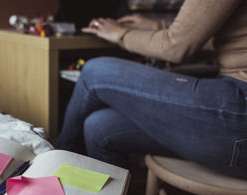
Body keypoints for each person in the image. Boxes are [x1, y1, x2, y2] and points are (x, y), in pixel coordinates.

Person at [56, 0, 247, 178]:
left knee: (95, 71)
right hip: (236, 129)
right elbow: (226, 39)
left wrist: (121, 34)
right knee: (98, 127)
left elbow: (175, 46)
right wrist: (158, 27)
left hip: (239, 115)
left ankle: (52, 162)